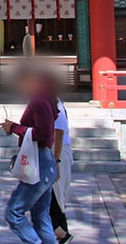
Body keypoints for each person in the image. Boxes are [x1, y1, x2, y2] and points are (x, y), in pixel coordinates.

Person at [1, 64, 59, 244]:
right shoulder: (45, 98)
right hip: (45, 160)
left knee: (14, 212)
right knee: (41, 216)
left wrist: (15, 128)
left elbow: (43, 133)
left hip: (40, 161)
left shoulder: (39, 100)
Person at [51, 94, 74, 244]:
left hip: (56, 152)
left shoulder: (54, 104)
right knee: (52, 198)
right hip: (52, 152)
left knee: (54, 197)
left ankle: (62, 234)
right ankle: (61, 233)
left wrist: (56, 160)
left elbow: (58, 133)